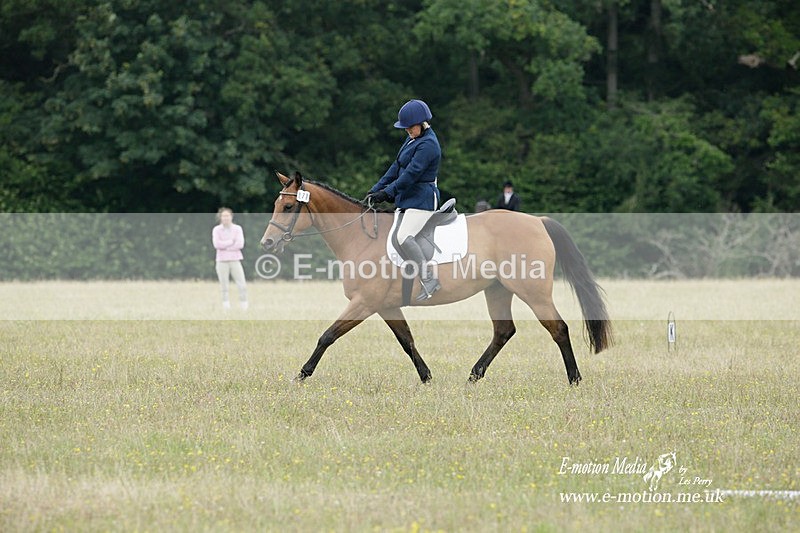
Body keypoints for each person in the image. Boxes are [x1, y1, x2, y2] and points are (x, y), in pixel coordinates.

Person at [366, 99, 442, 300]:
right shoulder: (412, 139)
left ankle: (429, 279)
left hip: (422, 199)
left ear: (422, 123)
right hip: (408, 198)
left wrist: (387, 193)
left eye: (410, 127)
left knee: (403, 237)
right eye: (405, 127)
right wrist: (375, 190)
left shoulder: (429, 145)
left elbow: (411, 174)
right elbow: (396, 167)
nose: (407, 130)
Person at [212, 207, 248, 310]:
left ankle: (244, 306)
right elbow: (217, 244)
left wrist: (225, 246)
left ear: (231, 217)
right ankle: (226, 307)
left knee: (242, 284)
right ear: (220, 217)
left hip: (235, 260)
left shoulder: (237, 229)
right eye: (223, 216)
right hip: (221, 261)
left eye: (227, 216)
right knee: (224, 285)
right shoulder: (217, 230)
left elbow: (240, 244)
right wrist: (230, 242)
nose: (226, 218)